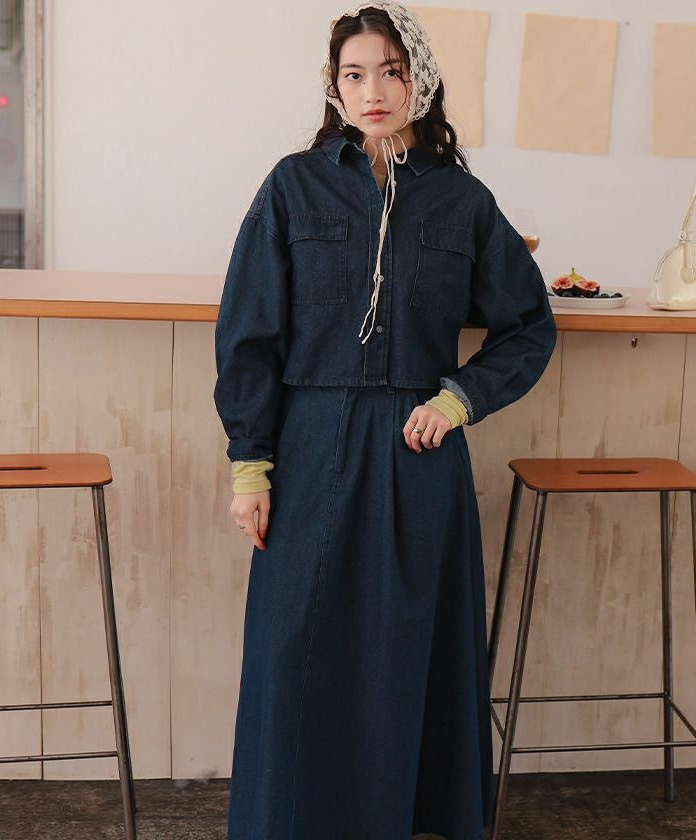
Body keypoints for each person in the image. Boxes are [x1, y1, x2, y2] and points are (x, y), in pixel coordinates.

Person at [213, 2, 557, 838]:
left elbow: (529, 325)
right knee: (297, 654)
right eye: (355, 74)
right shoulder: (293, 186)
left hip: (417, 452)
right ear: (333, 87)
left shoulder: (463, 201)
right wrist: (251, 466)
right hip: (309, 447)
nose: (373, 91)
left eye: (392, 72)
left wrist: (458, 399)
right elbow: (249, 332)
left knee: (402, 659)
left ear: (419, 81)